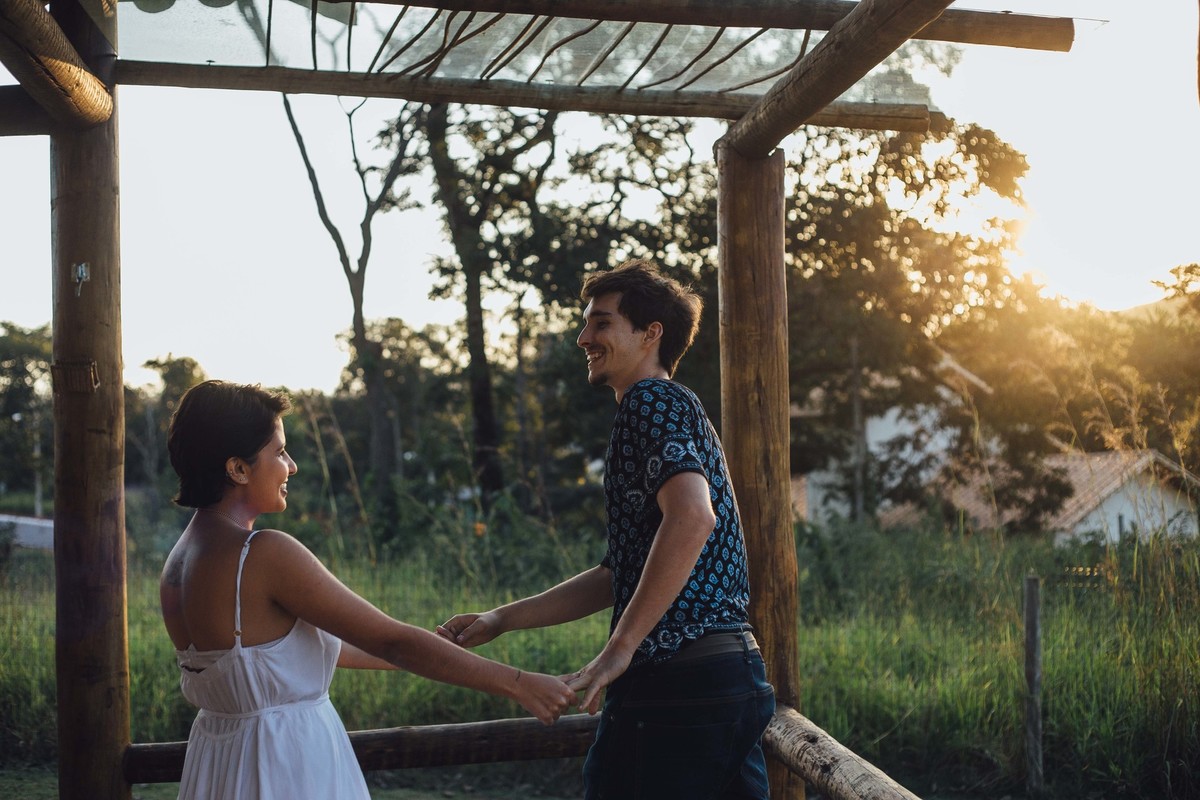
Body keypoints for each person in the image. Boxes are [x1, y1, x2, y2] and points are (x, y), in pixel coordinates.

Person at [438, 259, 776, 800]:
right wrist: (501, 619)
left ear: (650, 334)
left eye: (601, 323)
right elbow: (617, 575)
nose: (583, 337)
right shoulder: (676, 406)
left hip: (674, 684)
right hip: (729, 678)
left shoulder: (650, 402)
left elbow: (692, 517)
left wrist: (620, 649)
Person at [161, 380, 576, 800]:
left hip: (218, 764)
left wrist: (437, 652)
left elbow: (280, 654)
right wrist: (521, 683)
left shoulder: (180, 562)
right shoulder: (264, 553)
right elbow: (392, 640)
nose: (292, 466)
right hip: (285, 763)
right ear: (238, 469)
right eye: (279, 452)